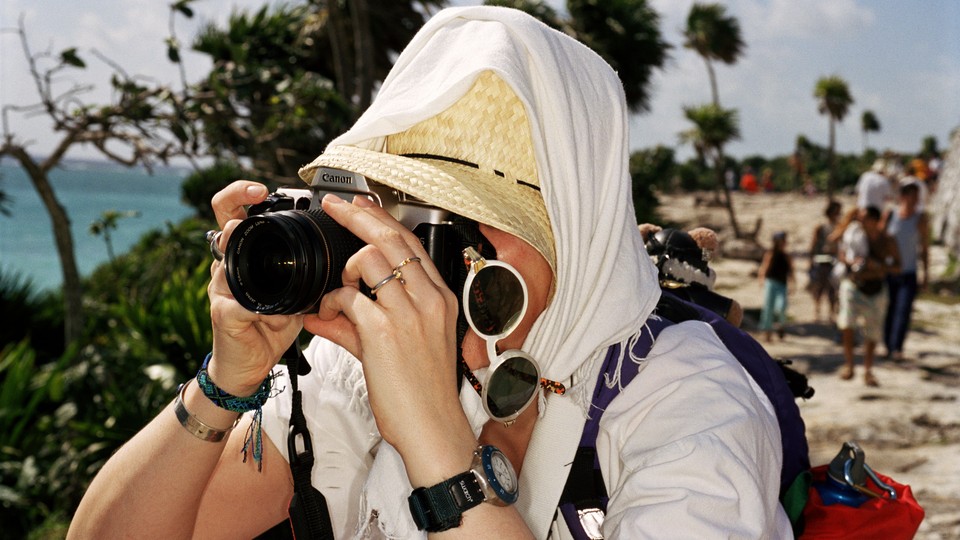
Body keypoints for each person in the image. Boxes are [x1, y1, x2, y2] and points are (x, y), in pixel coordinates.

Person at [68, 7, 789, 539]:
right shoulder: (352, 373)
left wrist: (435, 442)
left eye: (471, 221)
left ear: (579, 229)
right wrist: (225, 384)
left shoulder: (691, 405)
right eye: (410, 216)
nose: (431, 260)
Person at [835, 206, 900, 387]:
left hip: (876, 288)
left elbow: (897, 267)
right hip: (853, 285)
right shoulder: (853, 234)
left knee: (872, 333)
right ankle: (849, 365)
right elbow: (841, 252)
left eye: (864, 218)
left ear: (874, 220)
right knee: (847, 324)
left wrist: (877, 267)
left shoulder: (886, 240)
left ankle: (868, 370)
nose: (860, 221)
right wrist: (851, 262)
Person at [883, 182, 929, 361]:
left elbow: (924, 248)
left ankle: (897, 348)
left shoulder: (920, 218)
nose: (917, 199)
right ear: (903, 196)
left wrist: (925, 274)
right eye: (913, 195)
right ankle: (887, 345)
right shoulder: (890, 215)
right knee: (889, 310)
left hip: (909, 272)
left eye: (918, 196)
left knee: (903, 311)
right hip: (888, 272)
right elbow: (880, 240)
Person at [807, 200, 842, 322]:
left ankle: (831, 313)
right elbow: (814, 245)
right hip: (821, 260)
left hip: (834, 260)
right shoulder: (821, 226)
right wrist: (810, 260)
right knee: (819, 287)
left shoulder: (839, 226)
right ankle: (817, 311)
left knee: (833, 289)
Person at [758, 231, 794, 342]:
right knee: (768, 308)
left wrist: (793, 284)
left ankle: (780, 327)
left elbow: (791, 271)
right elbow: (764, 267)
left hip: (782, 284)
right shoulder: (771, 254)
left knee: (781, 307)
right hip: (771, 282)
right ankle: (767, 332)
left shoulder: (786, 256)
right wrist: (761, 279)